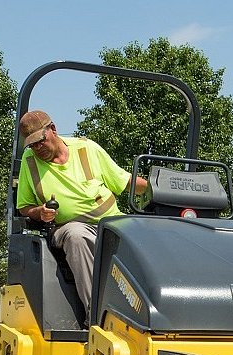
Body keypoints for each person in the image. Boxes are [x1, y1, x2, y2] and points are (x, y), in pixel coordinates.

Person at [16, 110, 147, 315]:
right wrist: (39, 213)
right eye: (32, 144)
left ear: (53, 130)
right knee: (77, 236)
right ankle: (96, 315)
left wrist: (159, 191)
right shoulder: (29, 161)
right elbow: (24, 206)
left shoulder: (87, 148)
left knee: (151, 236)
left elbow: (125, 181)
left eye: (40, 141)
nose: (37, 148)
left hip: (112, 223)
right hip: (66, 228)